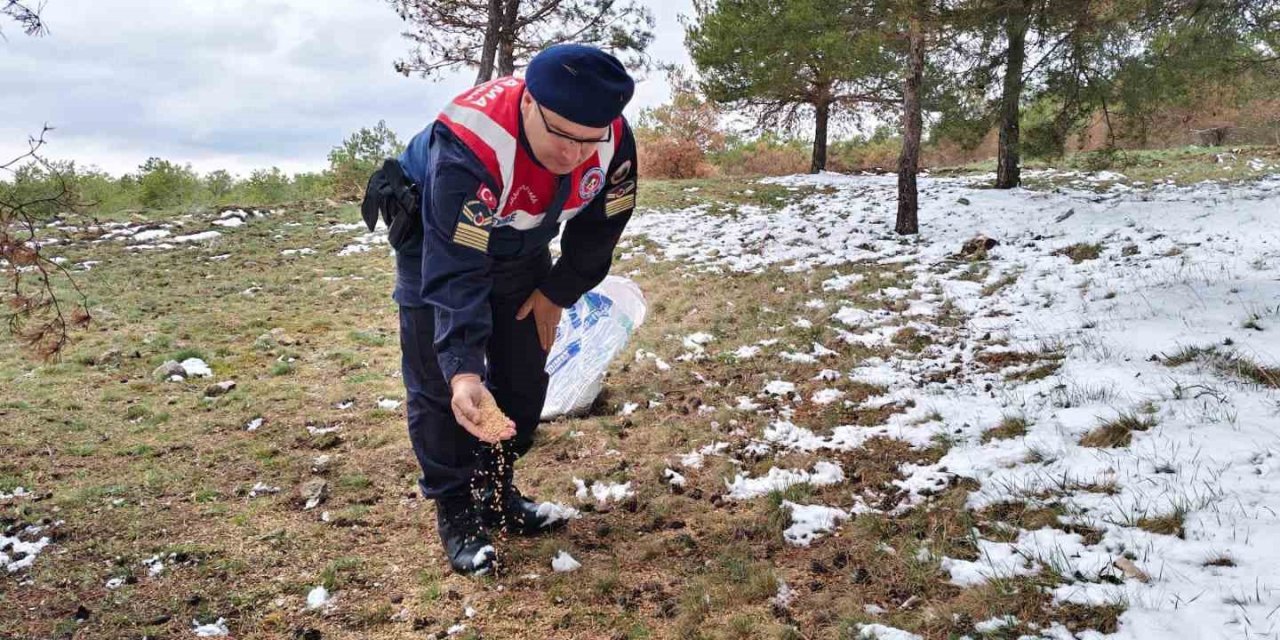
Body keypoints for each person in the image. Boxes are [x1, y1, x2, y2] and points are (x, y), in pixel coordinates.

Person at [386, 44, 638, 575]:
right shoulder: (472, 143)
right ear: (528, 103)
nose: (575, 155)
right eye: (563, 136)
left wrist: (557, 290)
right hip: (435, 239)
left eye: (588, 140)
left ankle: (495, 493)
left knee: (523, 374)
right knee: (443, 384)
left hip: (522, 240)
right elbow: (454, 267)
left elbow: (603, 225)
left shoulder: (610, 139)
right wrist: (463, 367)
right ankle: (455, 507)